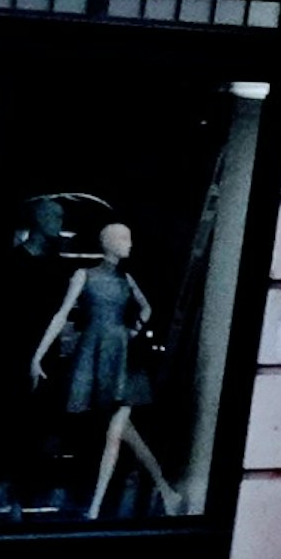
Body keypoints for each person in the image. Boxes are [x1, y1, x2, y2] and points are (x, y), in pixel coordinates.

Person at [30, 220, 172, 520]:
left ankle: (95, 508)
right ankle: (166, 490)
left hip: (121, 358)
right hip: (96, 353)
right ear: (107, 243)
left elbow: (147, 309)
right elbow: (62, 313)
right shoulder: (84, 275)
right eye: (123, 238)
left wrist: (132, 332)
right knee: (124, 435)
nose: (129, 244)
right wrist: (38, 355)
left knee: (115, 434)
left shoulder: (126, 278)